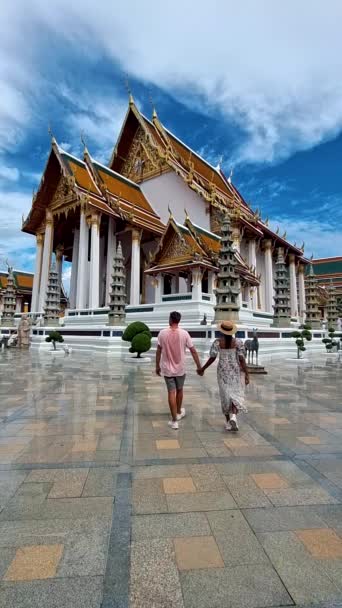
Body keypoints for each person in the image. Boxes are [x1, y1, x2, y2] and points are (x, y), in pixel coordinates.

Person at [198, 320, 249, 431]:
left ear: (222, 331)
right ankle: (234, 417)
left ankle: (228, 422)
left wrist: (203, 368)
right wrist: (246, 374)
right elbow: (242, 359)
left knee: (225, 395)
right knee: (234, 394)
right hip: (234, 371)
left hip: (222, 372)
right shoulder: (238, 343)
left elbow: (212, 358)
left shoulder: (217, 342)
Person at [156, 311, 202, 430]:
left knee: (171, 392)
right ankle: (177, 413)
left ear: (170, 319)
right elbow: (193, 351)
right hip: (181, 368)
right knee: (180, 390)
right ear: (179, 320)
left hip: (167, 368)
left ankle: (174, 421)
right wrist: (199, 366)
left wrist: (157, 366)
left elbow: (158, 351)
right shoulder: (184, 334)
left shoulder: (162, 333)